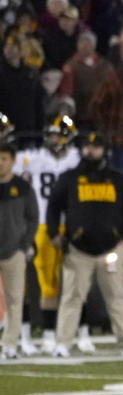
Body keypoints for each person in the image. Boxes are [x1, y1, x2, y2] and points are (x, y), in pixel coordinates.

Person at [46, 132, 123, 357]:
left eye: (96, 147)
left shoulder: (117, 179)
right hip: (78, 250)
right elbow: (53, 207)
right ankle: (63, 343)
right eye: (87, 146)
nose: (91, 151)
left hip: (111, 249)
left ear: (103, 149)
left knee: (116, 296)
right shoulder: (69, 178)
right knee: (71, 297)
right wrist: (53, 234)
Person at [16, 115, 82, 355]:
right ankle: (47, 334)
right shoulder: (31, 159)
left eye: (58, 134)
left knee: (79, 281)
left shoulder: (77, 159)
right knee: (48, 283)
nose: (53, 139)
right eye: (51, 134)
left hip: (72, 224)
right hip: (43, 225)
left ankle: (80, 332)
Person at [0, 141, 39, 360]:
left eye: (4, 159)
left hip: (14, 251)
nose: (0, 163)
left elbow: (33, 217)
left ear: (13, 161)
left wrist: (23, 246)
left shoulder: (23, 188)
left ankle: (10, 344)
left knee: (15, 300)